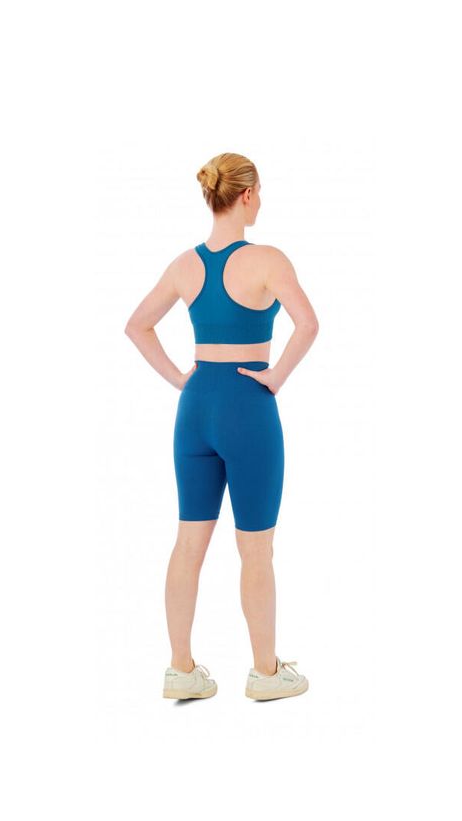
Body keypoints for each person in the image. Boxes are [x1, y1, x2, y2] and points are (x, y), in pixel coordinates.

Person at [124, 152, 319, 700]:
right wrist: (275, 377)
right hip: (247, 409)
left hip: (195, 411)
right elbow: (308, 324)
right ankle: (266, 674)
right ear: (248, 195)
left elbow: (137, 326)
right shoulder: (268, 259)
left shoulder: (184, 265)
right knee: (255, 548)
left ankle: (181, 670)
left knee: (188, 542)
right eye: (261, 193)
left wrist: (180, 380)